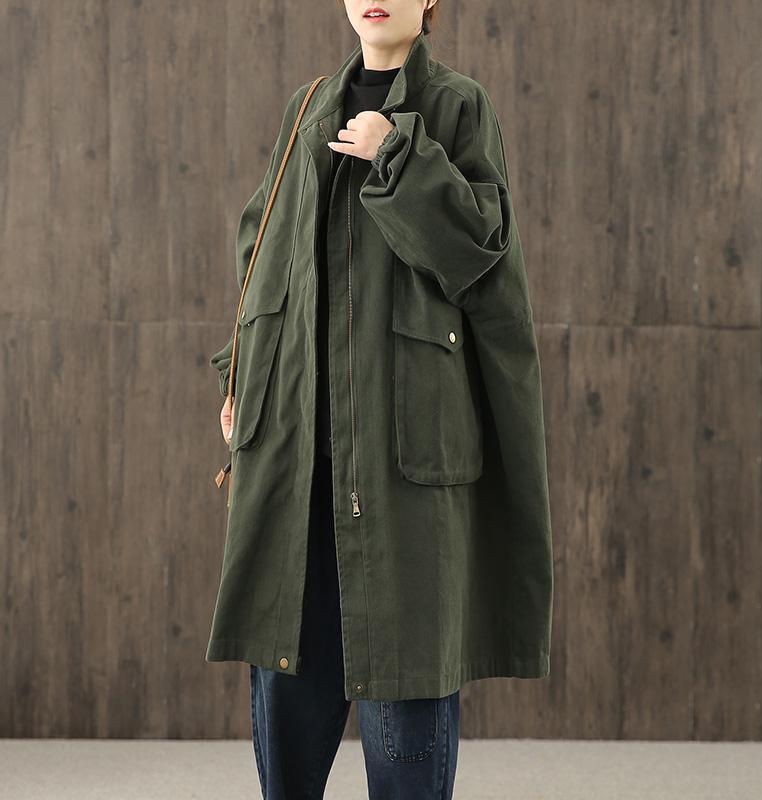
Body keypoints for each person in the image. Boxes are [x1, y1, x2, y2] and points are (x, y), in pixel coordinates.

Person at [209, 1, 554, 797]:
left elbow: (479, 248)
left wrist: (397, 154)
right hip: (299, 452)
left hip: (403, 459)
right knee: (288, 701)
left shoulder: (457, 106)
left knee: (406, 695)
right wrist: (239, 373)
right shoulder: (307, 108)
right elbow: (262, 249)